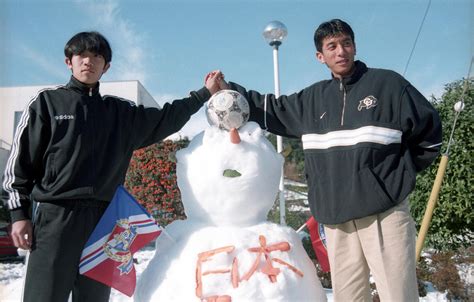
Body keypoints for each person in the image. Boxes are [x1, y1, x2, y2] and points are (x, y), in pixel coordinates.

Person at [219, 19, 442, 301]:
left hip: (384, 215)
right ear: (320, 56)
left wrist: (395, 178)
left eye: (346, 44)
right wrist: (228, 90)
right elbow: (271, 109)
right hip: (336, 220)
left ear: (355, 46)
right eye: (332, 46)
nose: (341, 52)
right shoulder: (311, 100)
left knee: (398, 295)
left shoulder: (389, 85)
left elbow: (430, 135)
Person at [2, 31, 223, 302]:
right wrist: (19, 215)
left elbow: (166, 118)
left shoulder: (120, 113)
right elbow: (19, 166)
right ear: (68, 61)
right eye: (81, 55)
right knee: (43, 297)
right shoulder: (47, 103)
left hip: (104, 223)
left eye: (97, 57)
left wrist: (203, 94)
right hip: (56, 218)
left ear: (106, 66)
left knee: (94, 299)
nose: (88, 62)